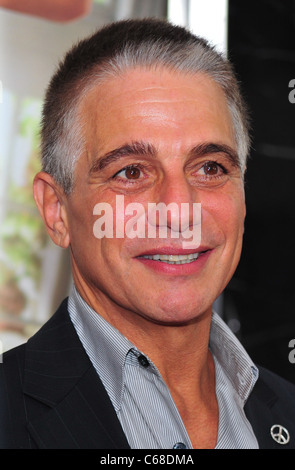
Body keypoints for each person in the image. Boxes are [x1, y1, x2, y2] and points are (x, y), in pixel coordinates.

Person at [1, 18, 295, 450]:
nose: (179, 210)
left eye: (210, 168)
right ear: (57, 210)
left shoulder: (286, 411)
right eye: (131, 172)